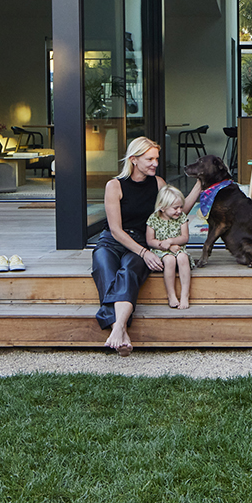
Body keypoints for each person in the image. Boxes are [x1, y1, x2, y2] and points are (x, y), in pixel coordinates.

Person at [91, 137, 199, 354]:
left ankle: (118, 329)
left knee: (129, 271)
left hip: (142, 241)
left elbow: (177, 211)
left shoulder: (158, 184)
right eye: (149, 158)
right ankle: (120, 330)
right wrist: (144, 253)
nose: (155, 163)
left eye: (156, 158)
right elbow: (115, 230)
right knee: (105, 270)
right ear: (134, 159)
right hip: (113, 242)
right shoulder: (115, 186)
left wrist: (200, 185)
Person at [146, 185, 192, 309]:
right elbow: (150, 240)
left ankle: (185, 294)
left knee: (183, 258)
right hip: (160, 252)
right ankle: (171, 295)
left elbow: (184, 237)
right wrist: (164, 246)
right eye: (175, 208)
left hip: (178, 249)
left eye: (181, 207)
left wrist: (170, 241)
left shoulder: (182, 218)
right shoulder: (153, 219)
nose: (179, 210)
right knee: (169, 260)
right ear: (162, 207)